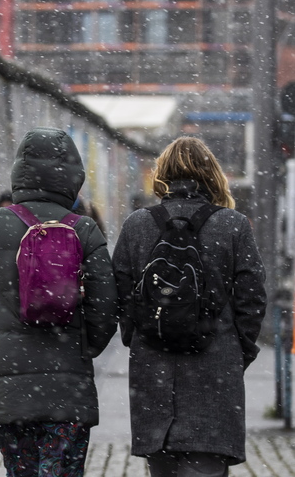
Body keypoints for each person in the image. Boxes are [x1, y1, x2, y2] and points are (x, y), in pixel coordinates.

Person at [0, 127, 119, 477]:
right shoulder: (85, 230)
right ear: (73, 175)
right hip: (68, 384)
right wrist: (83, 345)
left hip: (9, 381)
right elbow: (106, 308)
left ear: (19, 171)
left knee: (21, 470)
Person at [112, 137, 266, 477]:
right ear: (212, 175)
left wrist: (141, 338)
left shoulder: (137, 224)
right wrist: (236, 351)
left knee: (163, 468)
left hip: (154, 373)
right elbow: (252, 299)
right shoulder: (233, 225)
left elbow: (120, 296)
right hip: (214, 369)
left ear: (162, 175)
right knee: (206, 466)